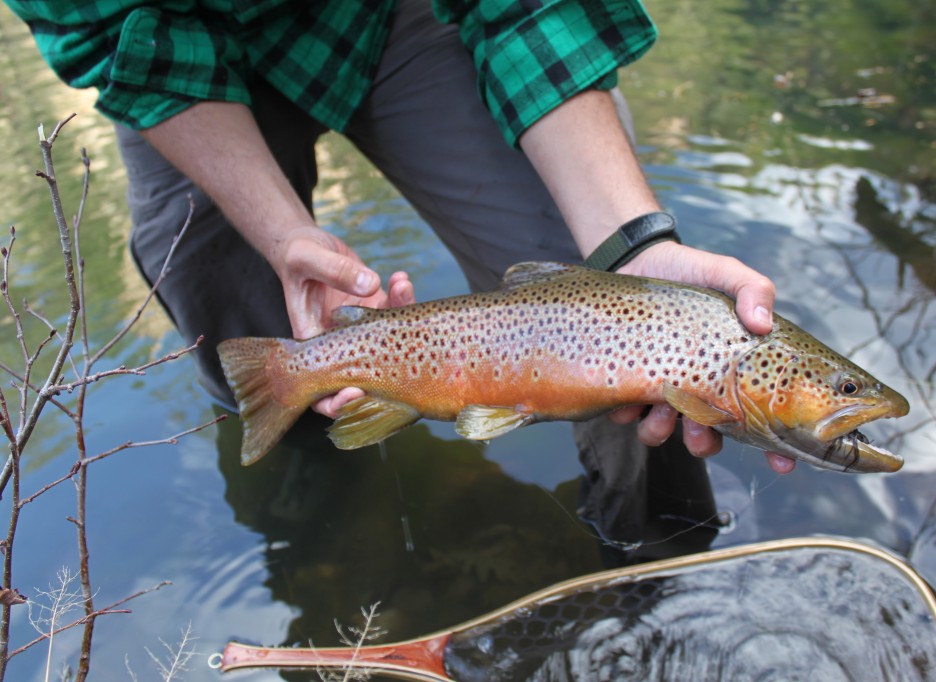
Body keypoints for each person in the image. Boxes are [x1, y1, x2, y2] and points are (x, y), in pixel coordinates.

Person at [6, 0, 792, 542]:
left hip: (397, 16)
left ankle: (657, 552)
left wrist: (632, 246)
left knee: (597, 270)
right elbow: (113, 33)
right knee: (225, 311)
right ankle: (322, 527)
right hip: (175, 48)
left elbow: (530, 9)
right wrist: (283, 236)